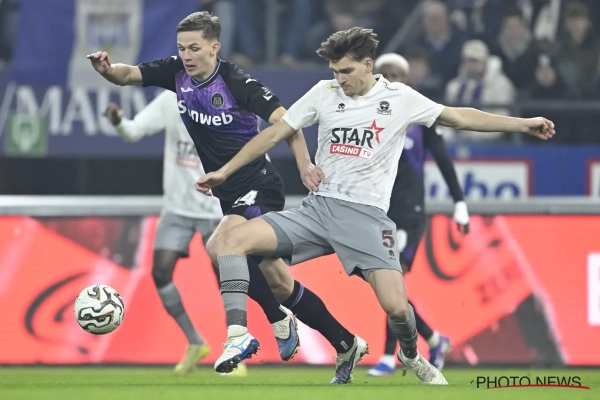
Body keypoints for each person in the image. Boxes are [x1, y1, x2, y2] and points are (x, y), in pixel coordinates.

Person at [195, 27, 555, 385]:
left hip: (367, 218)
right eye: (335, 71)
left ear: (368, 65)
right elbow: (275, 133)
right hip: (318, 210)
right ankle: (238, 334)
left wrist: (523, 123)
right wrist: (224, 172)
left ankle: (410, 354)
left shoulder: (400, 98)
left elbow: (459, 117)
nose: (340, 79)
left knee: (397, 308)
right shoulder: (324, 93)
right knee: (228, 242)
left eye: (346, 71)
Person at [88, 11, 363, 384]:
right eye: (182, 48)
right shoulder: (175, 73)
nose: (187, 55)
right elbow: (128, 75)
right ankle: (344, 341)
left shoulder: (236, 81)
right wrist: (107, 70)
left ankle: (240, 334)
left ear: (214, 47)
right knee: (278, 283)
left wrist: (304, 165)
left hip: (259, 183)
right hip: (229, 192)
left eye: (194, 48)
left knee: (222, 245)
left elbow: (289, 123)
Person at [102, 90, 247, 377]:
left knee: (227, 280)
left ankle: (236, 349)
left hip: (215, 209)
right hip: (176, 209)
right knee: (161, 272)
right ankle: (195, 342)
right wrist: (119, 122)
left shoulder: (230, 100)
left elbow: (253, 150)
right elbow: (133, 131)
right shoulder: (171, 101)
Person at [366, 53, 467, 377]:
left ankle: (387, 356)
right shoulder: (366, 115)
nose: (390, 79)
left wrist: (459, 202)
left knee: (392, 280)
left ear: (406, 80)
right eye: (384, 74)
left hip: (409, 212)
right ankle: (435, 339)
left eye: (396, 74)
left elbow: (442, 158)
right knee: (386, 286)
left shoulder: (420, 116)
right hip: (380, 212)